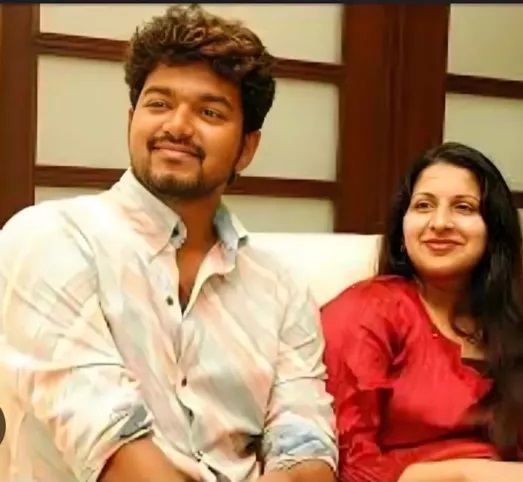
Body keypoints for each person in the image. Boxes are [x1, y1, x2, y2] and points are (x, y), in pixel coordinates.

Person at [0, 5, 336, 482]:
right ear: (131, 118)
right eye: (159, 104)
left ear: (246, 147)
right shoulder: (50, 239)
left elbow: (306, 446)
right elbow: (109, 443)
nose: (177, 126)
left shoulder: (282, 287)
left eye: (210, 112)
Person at [320, 142, 523, 482]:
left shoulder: (522, 327)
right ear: (402, 229)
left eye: (463, 207)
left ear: (493, 230)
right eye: (423, 205)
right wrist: (463, 474)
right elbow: (346, 459)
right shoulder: (365, 312)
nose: (440, 223)